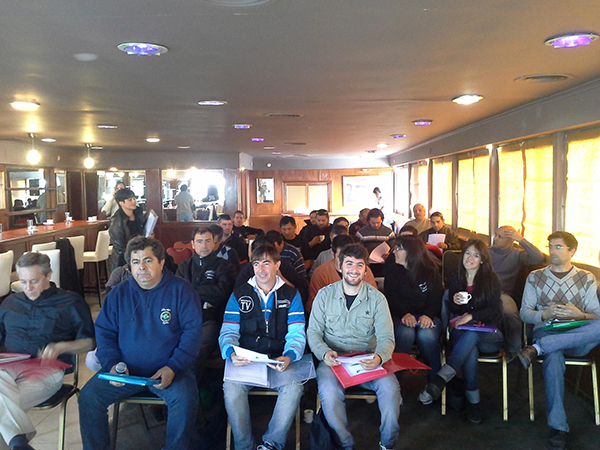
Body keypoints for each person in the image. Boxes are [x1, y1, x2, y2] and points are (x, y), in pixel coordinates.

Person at [79, 237, 203, 450]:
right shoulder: (118, 294)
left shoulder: (182, 291)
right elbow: (105, 334)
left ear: (161, 262)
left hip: (170, 371)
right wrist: (112, 364)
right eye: (136, 262)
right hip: (126, 372)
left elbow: (192, 335)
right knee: (89, 398)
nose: (141, 267)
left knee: (185, 401)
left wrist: (173, 366)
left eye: (148, 260)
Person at [307, 244, 400, 450]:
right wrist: (324, 353)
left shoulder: (377, 299)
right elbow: (313, 333)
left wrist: (379, 357)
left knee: (391, 389)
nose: (354, 270)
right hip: (334, 359)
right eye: (349, 264)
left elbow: (387, 338)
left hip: (368, 358)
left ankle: (388, 443)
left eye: (360, 265)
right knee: (329, 393)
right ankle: (346, 443)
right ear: (339, 266)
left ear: (366, 269)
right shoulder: (324, 295)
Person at [0, 252, 95, 450]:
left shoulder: (70, 301)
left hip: (46, 370)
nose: (28, 288)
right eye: (23, 282)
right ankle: (18, 444)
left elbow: (90, 342)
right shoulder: (9, 303)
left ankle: (18, 444)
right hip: (8, 368)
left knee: (3, 407)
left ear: (49, 275)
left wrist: (61, 347)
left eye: (34, 281)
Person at [518, 231, 600, 450]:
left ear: (572, 251)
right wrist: (544, 314)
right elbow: (525, 313)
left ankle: (538, 348)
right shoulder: (535, 276)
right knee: (553, 357)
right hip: (549, 329)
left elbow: (596, 316)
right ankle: (558, 426)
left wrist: (580, 315)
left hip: (577, 333)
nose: (552, 250)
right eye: (550, 246)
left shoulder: (586, 278)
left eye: (558, 247)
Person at [220, 244, 306, 450]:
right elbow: (228, 332)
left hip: (279, 359)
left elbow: (297, 333)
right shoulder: (239, 295)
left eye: (266, 263)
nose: (261, 269)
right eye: (256, 264)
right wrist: (231, 353)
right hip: (246, 360)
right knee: (231, 389)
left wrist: (290, 355)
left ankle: (271, 443)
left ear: (277, 265)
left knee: (294, 387)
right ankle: (243, 446)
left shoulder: (291, 295)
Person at [421, 239, 503, 424]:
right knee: (469, 348)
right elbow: (454, 310)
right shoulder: (456, 278)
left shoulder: (491, 279)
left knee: (471, 336)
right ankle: (474, 403)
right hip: (463, 332)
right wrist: (455, 302)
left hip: (489, 335)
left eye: (476, 255)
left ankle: (442, 378)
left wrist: (472, 316)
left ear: (482, 259)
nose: (470, 258)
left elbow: (495, 311)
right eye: (467, 253)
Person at [176, 227, 237, 383]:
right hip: (184, 318)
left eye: (208, 241)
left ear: (214, 243)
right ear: (193, 244)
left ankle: (189, 387)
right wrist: (204, 296)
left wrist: (193, 290)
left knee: (197, 348)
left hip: (211, 319)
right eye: (199, 241)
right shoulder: (184, 267)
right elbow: (178, 294)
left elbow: (222, 293)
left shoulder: (225, 266)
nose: (204, 245)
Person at [383, 236, 443, 387]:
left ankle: (434, 384)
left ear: (411, 252)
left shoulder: (430, 271)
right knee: (406, 333)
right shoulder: (392, 271)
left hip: (428, 316)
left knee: (426, 335)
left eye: (398, 249)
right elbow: (391, 298)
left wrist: (428, 315)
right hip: (401, 317)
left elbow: (436, 298)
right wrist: (405, 314)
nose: (394, 252)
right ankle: (393, 383)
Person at [489, 225, 546, 355]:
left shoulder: (517, 254)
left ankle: (514, 352)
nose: (495, 239)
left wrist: (520, 239)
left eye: (499, 237)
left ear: (511, 240)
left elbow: (538, 258)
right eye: (496, 235)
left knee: (510, 313)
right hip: (482, 291)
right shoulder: (485, 252)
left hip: (502, 294)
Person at [308, 234, 378, 312]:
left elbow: (374, 300)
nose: (344, 261)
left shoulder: (363, 271)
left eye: (348, 258)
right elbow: (313, 305)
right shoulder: (321, 273)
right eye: (340, 257)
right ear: (333, 254)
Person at [235, 236, 309, 304]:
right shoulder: (246, 271)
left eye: (266, 262)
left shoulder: (284, 266)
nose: (261, 269)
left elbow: (301, 293)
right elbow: (237, 297)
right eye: (257, 261)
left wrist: (281, 278)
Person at [108, 188, 147, 270]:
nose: (134, 201)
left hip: (140, 252)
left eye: (134, 198)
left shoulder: (138, 213)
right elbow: (120, 250)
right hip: (124, 260)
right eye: (130, 200)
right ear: (121, 203)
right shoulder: (117, 223)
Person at [356, 208, 395, 277]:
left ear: (382, 220)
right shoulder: (361, 233)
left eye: (378, 222)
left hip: (384, 263)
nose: (376, 225)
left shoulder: (389, 232)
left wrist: (389, 254)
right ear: (368, 221)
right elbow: (357, 248)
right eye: (373, 223)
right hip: (367, 263)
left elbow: (394, 247)